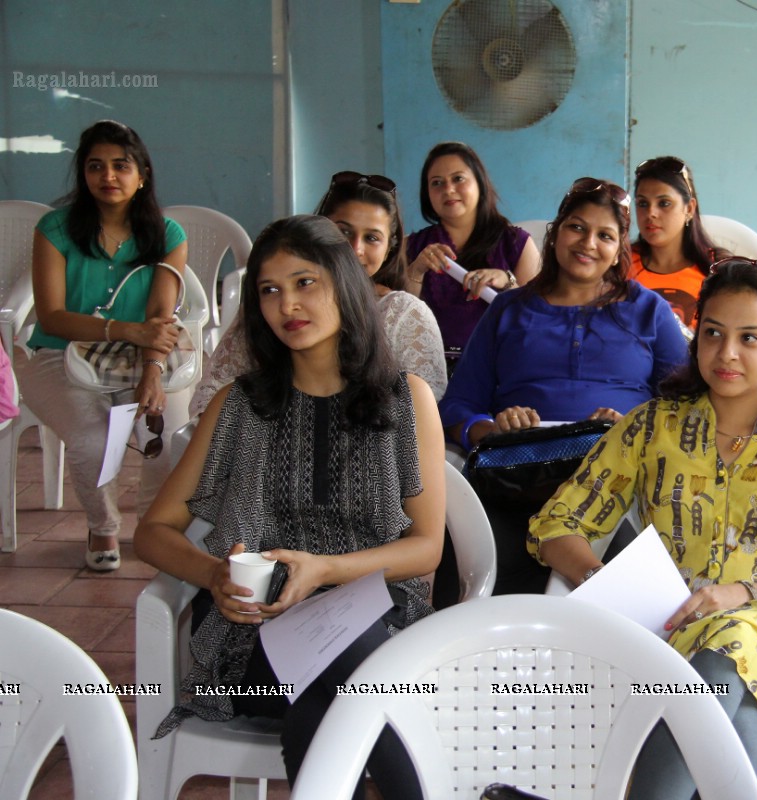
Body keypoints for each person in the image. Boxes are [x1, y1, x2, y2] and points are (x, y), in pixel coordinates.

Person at [529, 259, 757, 800]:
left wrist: (738, 596)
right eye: (713, 334)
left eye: (749, 338)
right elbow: (556, 523)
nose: (726, 353)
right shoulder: (652, 426)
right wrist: (601, 580)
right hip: (664, 627)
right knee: (744, 720)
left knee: (733, 638)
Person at [135, 215, 444, 797]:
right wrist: (213, 575)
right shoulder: (241, 405)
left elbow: (426, 548)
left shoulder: (405, 399)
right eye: (269, 290)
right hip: (251, 634)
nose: (287, 305)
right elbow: (153, 531)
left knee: (334, 684)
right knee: (355, 678)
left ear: (345, 287)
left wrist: (325, 570)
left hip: (376, 615)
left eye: (305, 283)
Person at [439, 177, 688, 595]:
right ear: (555, 234)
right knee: (495, 581)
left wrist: (634, 425)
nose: (588, 243)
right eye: (577, 227)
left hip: (622, 475)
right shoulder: (508, 310)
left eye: (605, 235)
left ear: (617, 252)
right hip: (520, 473)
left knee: (631, 592)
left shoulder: (648, 311)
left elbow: (685, 406)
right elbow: (457, 406)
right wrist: (492, 429)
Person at [14, 120, 187, 571]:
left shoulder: (167, 235)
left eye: (120, 166)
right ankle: (103, 525)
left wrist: (152, 371)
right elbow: (51, 316)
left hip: (144, 358)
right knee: (93, 440)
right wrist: (126, 331)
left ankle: (153, 526)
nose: (108, 176)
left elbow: (160, 315)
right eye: (95, 166)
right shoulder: (55, 228)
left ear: (142, 173)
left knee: (167, 436)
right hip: (56, 354)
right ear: (83, 174)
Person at [191, 170, 447, 415]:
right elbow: (209, 398)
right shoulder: (278, 304)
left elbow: (418, 420)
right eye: (343, 232)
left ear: (388, 248)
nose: (354, 249)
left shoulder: (402, 313)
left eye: (371, 238)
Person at [405, 142, 539, 368]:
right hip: (429, 373)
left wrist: (507, 282)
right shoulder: (411, 246)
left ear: (480, 183)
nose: (448, 189)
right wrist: (416, 270)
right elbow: (401, 317)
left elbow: (537, 320)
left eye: (458, 179)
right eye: (436, 183)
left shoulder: (518, 244)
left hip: (500, 370)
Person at [629, 155, 728, 330]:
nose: (651, 213)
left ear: (689, 208)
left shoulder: (718, 269)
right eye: (642, 203)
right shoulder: (619, 263)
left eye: (664, 203)